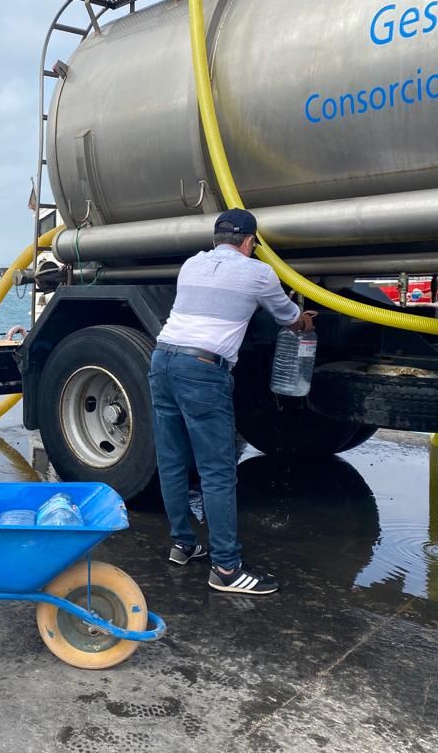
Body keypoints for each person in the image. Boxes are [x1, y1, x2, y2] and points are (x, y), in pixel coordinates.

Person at [148, 208, 315, 596]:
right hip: (203, 370)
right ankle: (225, 567)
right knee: (218, 470)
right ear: (249, 242)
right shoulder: (258, 272)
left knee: (172, 462)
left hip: (163, 360)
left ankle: (183, 544)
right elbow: (287, 318)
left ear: (216, 239)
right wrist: (305, 321)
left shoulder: (191, 264)